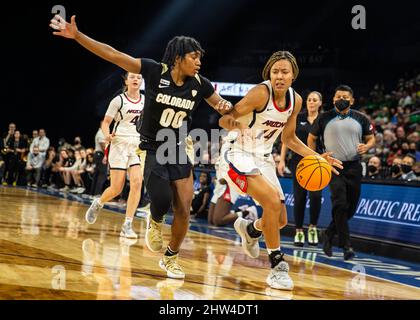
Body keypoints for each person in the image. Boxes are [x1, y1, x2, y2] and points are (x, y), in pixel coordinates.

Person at [50, 15, 232, 279]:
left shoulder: (199, 84)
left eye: (200, 57)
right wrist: (78, 36)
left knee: (184, 207)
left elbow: (223, 107)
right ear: (179, 57)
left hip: (179, 146)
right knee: (161, 199)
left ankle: (171, 258)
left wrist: (238, 113)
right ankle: (154, 221)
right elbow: (112, 54)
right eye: (194, 56)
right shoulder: (153, 70)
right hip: (151, 145)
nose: (199, 62)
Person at [219, 51, 342, 290]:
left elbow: (290, 138)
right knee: (273, 204)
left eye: (284, 72)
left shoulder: (295, 101)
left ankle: (250, 230)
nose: (279, 76)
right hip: (238, 154)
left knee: (280, 220)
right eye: (275, 71)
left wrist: (318, 158)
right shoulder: (259, 93)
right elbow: (224, 119)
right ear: (269, 74)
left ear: (293, 75)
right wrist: (233, 123)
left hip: (263, 157)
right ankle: (277, 267)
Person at [308, 84, 375, 261]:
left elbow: (371, 138)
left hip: (354, 166)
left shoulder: (361, 118)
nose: (341, 99)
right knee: (340, 204)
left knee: (351, 208)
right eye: (338, 96)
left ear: (352, 100)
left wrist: (366, 146)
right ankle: (346, 246)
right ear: (333, 99)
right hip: (333, 166)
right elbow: (312, 138)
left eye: (345, 97)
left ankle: (329, 234)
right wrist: (316, 156)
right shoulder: (324, 118)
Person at [85, 72, 145, 239]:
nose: (136, 80)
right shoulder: (118, 100)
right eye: (132, 77)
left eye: (139, 78)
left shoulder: (146, 101)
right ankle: (99, 202)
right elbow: (105, 123)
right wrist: (107, 135)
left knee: (137, 182)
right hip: (118, 144)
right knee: (117, 188)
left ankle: (127, 224)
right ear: (126, 81)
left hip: (136, 145)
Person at [279, 91, 323, 247]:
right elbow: (286, 139)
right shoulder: (298, 118)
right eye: (309, 100)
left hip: (317, 163)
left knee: (316, 197)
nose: (311, 102)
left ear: (320, 103)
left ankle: (312, 227)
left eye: (314, 100)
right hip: (298, 162)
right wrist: (282, 160)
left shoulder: (323, 120)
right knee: (299, 198)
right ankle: (298, 231)